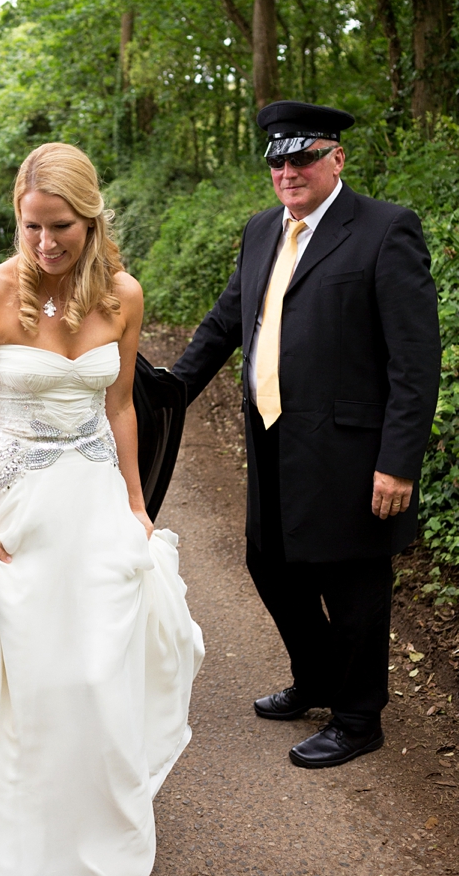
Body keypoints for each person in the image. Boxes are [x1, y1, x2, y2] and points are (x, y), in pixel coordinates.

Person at [0, 142, 204, 876]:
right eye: (32, 227)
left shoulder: (123, 297)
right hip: (19, 518)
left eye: (63, 229)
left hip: (94, 508)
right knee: (39, 694)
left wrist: (135, 502)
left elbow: (119, 407)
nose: (46, 245)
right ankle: (24, 867)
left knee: (102, 684)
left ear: (92, 220)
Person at [172, 101, 440, 769]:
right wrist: (171, 389)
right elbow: (228, 319)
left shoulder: (385, 230)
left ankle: (357, 719)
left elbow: (415, 359)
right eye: (278, 160)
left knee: (351, 582)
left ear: (336, 158)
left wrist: (398, 462)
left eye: (303, 158)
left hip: (352, 446)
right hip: (271, 434)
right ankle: (319, 678)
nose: (288, 171)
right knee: (271, 562)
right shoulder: (263, 230)